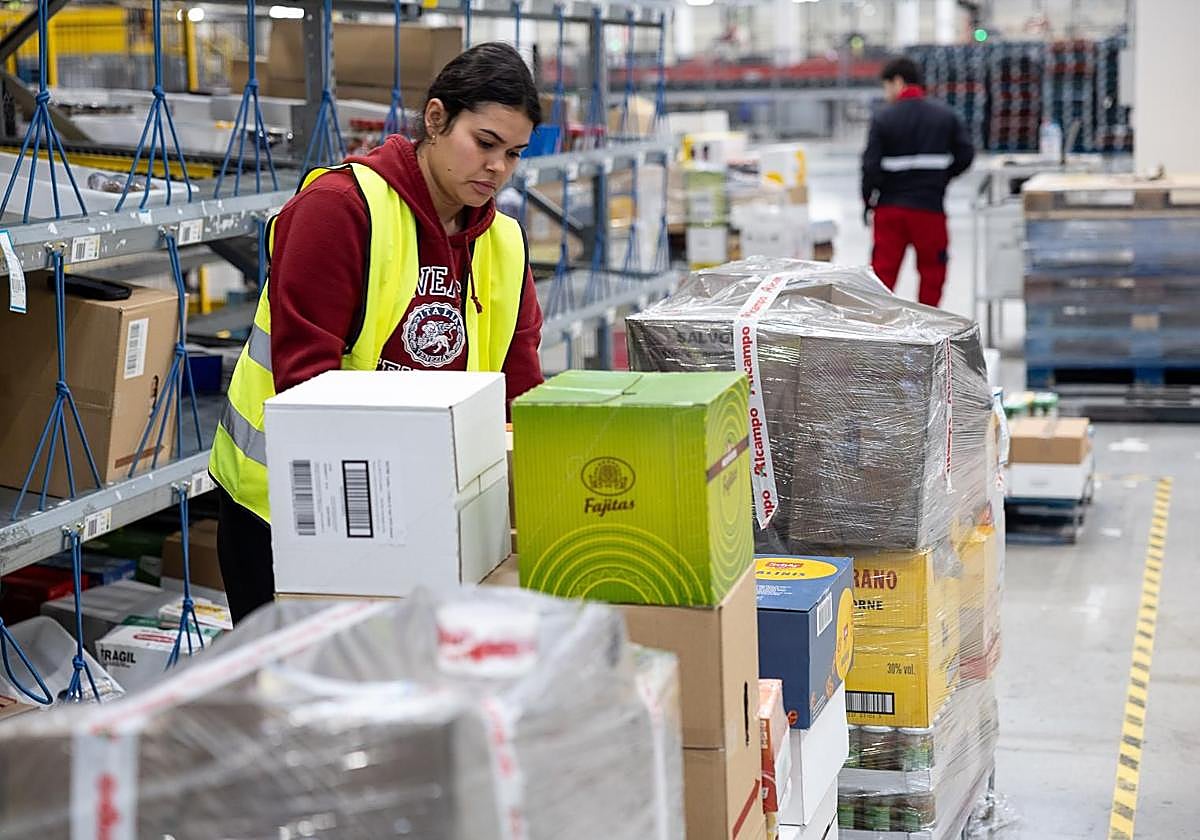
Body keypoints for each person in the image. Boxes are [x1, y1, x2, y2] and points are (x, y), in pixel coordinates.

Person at [209, 42, 544, 624]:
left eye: (513, 154)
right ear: (436, 119)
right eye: (485, 143)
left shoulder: (504, 243)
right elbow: (306, 383)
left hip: (420, 519)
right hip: (290, 512)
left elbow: (519, 393)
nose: (498, 167)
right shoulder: (339, 209)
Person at [861, 56, 974, 308]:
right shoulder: (945, 116)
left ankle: (878, 335)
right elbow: (966, 154)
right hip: (929, 209)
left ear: (898, 82)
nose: (886, 93)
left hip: (890, 209)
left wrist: (868, 201)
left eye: (886, 86)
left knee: (882, 276)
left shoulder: (883, 119)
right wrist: (942, 178)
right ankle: (927, 331)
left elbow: (869, 167)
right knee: (932, 273)